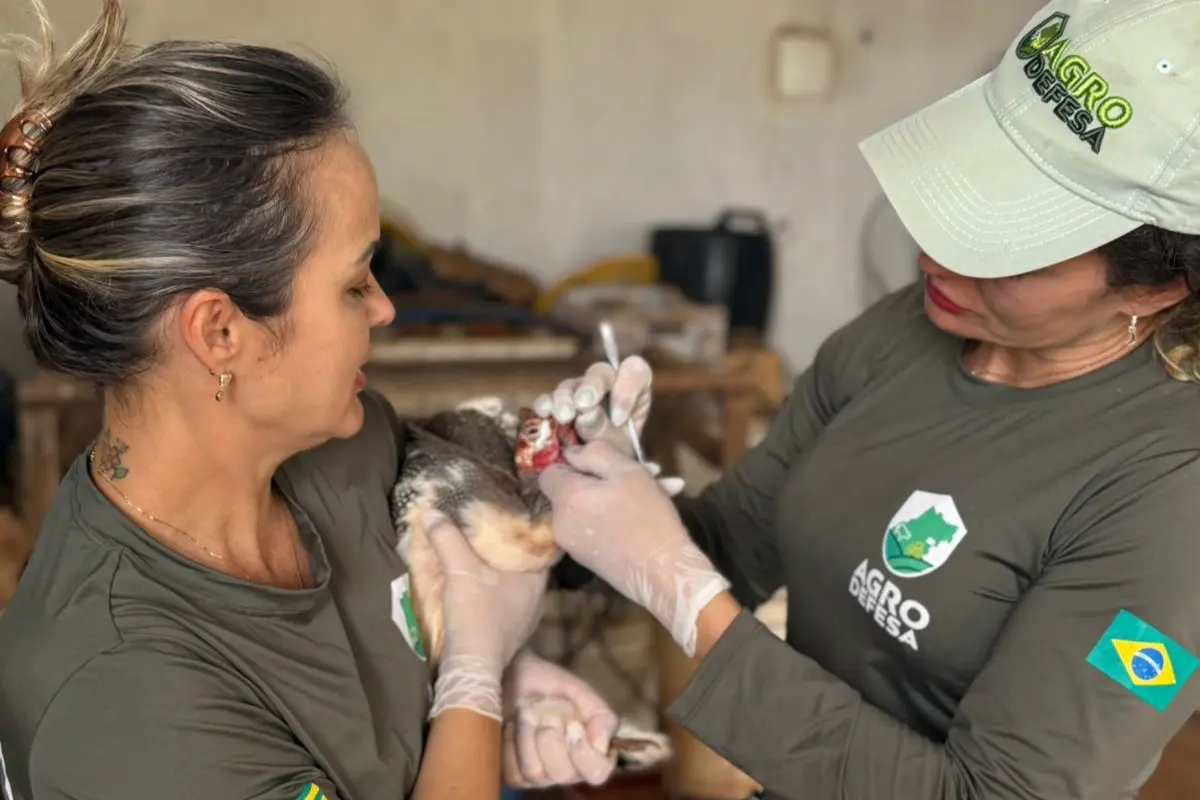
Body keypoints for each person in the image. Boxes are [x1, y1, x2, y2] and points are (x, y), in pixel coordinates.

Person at [533, 1, 1200, 797]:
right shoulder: (907, 333)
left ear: (1160, 284)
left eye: (1009, 245)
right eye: (960, 189)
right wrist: (577, 494)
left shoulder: (1170, 489)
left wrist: (685, 596)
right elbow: (733, 541)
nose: (938, 250)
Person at [0, 1, 624, 798]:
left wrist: (499, 680)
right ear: (220, 332)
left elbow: (418, 605)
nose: (385, 309)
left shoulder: (343, 455)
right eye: (353, 283)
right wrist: (475, 678)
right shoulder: (119, 690)